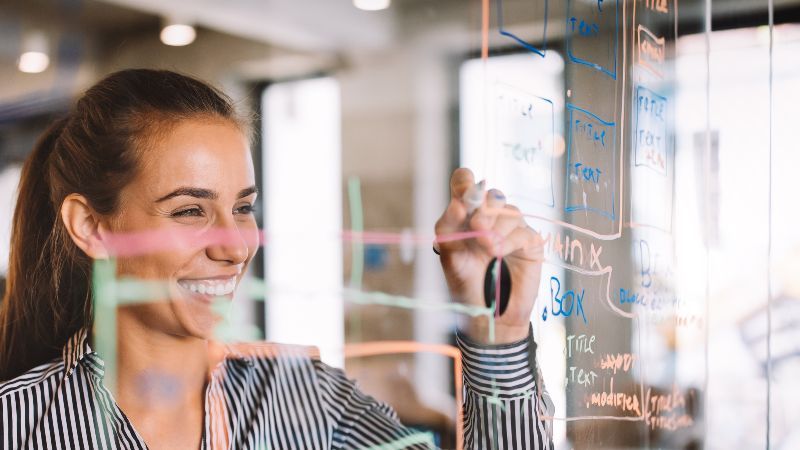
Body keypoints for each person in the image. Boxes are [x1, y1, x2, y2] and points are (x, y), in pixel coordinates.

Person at [0, 69, 553, 449]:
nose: (236, 244)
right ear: (92, 227)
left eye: (243, 207)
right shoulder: (17, 427)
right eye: (191, 210)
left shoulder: (303, 397)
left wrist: (499, 332)